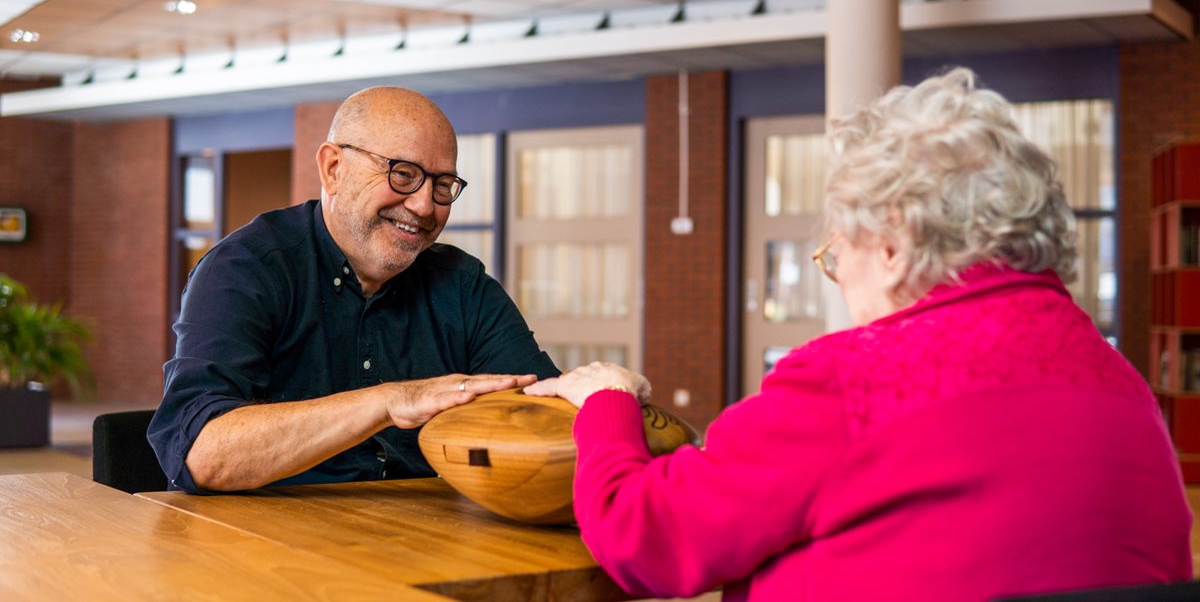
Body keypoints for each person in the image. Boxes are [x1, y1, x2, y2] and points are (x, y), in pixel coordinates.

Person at [525, 68, 1193, 601]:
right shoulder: (1122, 384)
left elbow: (646, 542)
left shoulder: (858, 378)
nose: (840, 282)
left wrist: (608, 401)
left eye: (840, 255)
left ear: (896, 242)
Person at [149, 87, 558, 494]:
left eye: (442, 185)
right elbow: (201, 452)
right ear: (333, 168)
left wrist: (598, 398)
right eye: (402, 174)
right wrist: (389, 402)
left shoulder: (462, 284)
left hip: (419, 537)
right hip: (260, 542)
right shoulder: (247, 267)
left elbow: (546, 417)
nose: (424, 206)